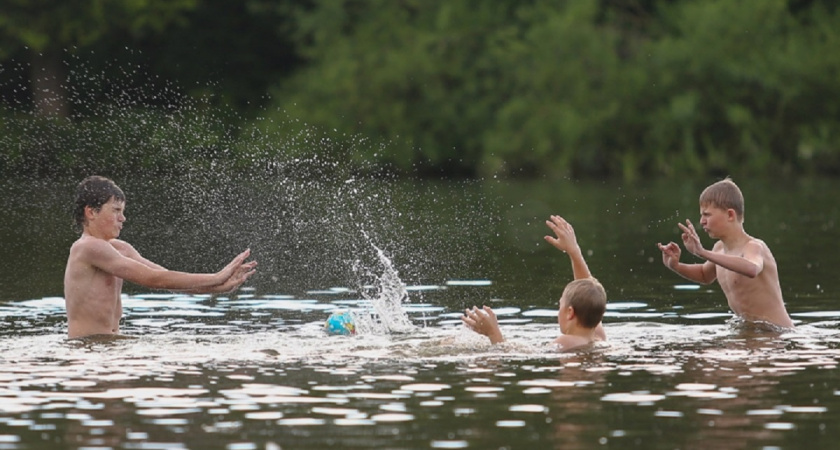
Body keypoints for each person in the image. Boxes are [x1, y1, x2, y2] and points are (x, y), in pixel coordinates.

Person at [64, 175, 257, 339]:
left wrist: (218, 287)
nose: (123, 218)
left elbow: (166, 278)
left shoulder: (121, 248)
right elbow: (153, 279)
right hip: (87, 348)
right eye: (116, 211)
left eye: (122, 212)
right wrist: (217, 277)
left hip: (109, 345)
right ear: (91, 212)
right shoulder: (87, 247)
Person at [657, 178, 794, 329]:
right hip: (750, 331)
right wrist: (676, 266)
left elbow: (752, 268)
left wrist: (703, 252)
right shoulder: (719, 248)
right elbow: (704, 275)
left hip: (776, 333)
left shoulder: (754, 247)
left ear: (730, 215)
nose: (701, 221)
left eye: (707, 215)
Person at [461, 215, 607, 351]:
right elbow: (588, 293)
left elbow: (512, 355)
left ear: (570, 312)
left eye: (560, 305)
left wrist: (493, 333)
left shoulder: (565, 342)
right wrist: (574, 252)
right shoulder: (598, 337)